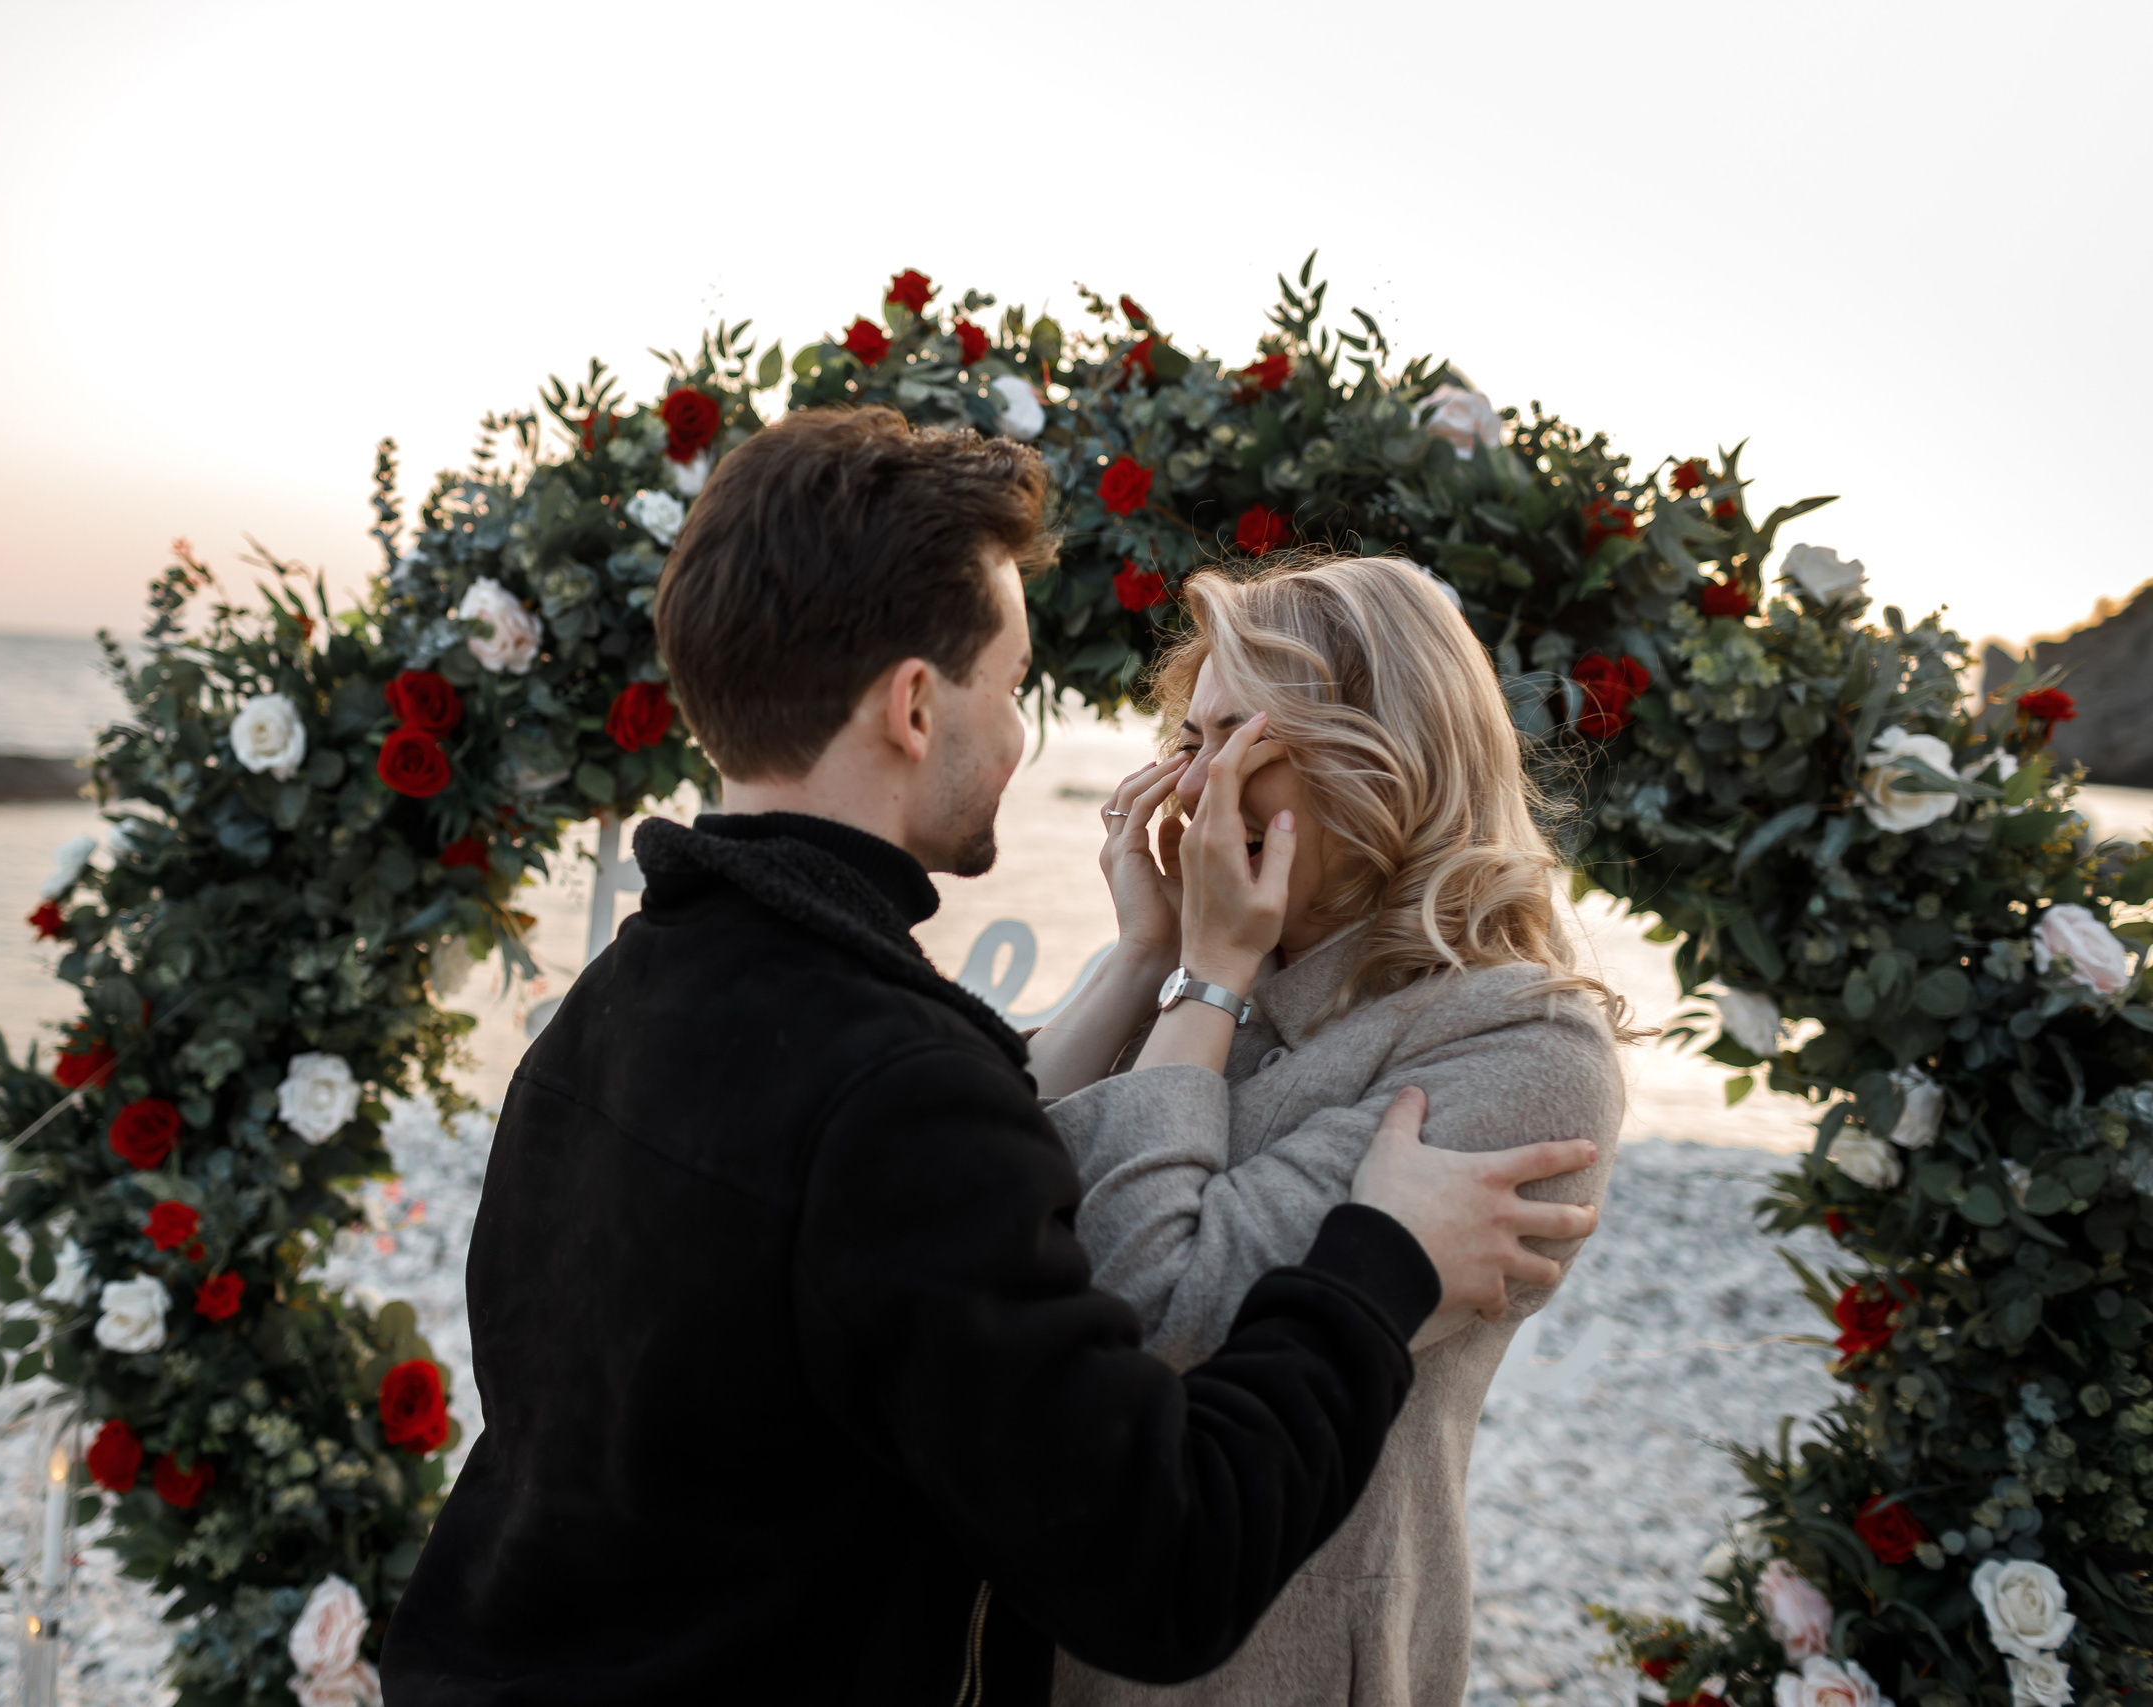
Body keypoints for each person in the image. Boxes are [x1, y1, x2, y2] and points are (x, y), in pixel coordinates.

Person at [378, 410, 1602, 1706]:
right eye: (1014, 690)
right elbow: (1146, 1488)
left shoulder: (614, 1001)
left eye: (1223, 740)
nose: (1170, 782)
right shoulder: (894, 1078)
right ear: (915, 703)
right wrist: (1361, 1227)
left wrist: (1155, 962)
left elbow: (976, 1182)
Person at [1025, 552, 1632, 1706]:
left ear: (1373, 759)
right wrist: (1145, 957)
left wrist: (1205, 979)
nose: (1187, 792)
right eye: (1184, 744)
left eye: (1230, 747)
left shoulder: (1524, 1050)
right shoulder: (1231, 973)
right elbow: (976, 1210)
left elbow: (1155, 1318)